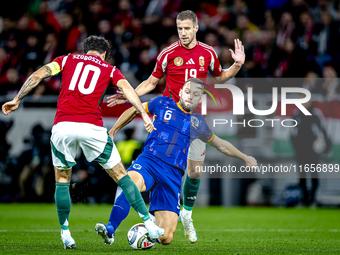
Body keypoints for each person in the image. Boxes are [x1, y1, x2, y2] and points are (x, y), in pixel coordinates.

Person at [1, 35, 163, 249]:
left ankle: (66, 233)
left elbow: (39, 74)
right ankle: (149, 224)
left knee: (62, 180)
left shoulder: (67, 59)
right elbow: (127, 90)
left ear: (85, 50)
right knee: (122, 177)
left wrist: (17, 98)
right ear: (104, 53)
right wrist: (142, 114)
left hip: (63, 126)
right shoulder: (109, 69)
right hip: (92, 127)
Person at [107, 10, 246, 243]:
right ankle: (144, 206)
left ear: (196, 28)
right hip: (168, 115)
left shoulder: (208, 53)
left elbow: (220, 77)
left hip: (193, 121)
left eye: (186, 28)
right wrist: (130, 95)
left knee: (194, 172)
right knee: (156, 162)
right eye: (179, 28)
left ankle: (186, 214)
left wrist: (237, 65)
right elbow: (152, 82)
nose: (182, 33)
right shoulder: (168, 54)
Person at [95, 78, 257, 246]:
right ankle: (110, 229)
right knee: (130, 184)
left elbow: (221, 145)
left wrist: (244, 157)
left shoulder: (198, 122)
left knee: (166, 238)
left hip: (173, 174)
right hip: (149, 161)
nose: (190, 97)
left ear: (199, 99)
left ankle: (145, 228)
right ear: (180, 92)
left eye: (195, 94)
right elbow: (136, 109)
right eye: (187, 92)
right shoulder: (162, 102)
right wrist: (112, 131)